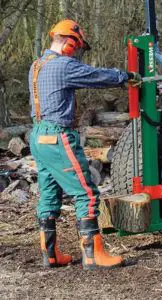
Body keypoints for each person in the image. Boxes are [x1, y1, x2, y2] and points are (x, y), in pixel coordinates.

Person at [28, 19, 141, 269]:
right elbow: (97, 76)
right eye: (77, 47)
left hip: (37, 136)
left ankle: (51, 254)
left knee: (48, 194)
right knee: (87, 193)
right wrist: (127, 77)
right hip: (57, 136)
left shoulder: (36, 65)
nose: (77, 53)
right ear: (69, 43)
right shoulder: (63, 65)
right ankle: (93, 255)